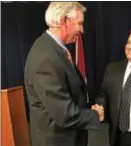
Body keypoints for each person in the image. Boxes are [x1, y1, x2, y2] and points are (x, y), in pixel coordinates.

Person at [24, 2, 103, 146]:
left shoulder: (53, 48)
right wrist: (95, 115)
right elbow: (64, 114)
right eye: (79, 23)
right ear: (64, 21)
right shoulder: (47, 57)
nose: (82, 30)